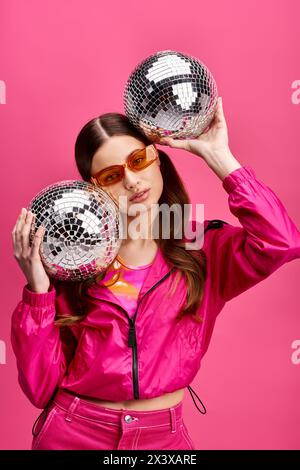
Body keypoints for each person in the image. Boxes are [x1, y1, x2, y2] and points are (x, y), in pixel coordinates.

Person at [11, 98, 300, 450]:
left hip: (163, 439)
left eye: (137, 161)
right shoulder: (75, 261)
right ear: (94, 188)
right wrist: (38, 291)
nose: (132, 182)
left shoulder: (197, 244)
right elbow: (40, 389)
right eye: (113, 175)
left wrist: (219, 156)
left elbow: (281, 242)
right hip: (74, 432)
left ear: (156, 158)